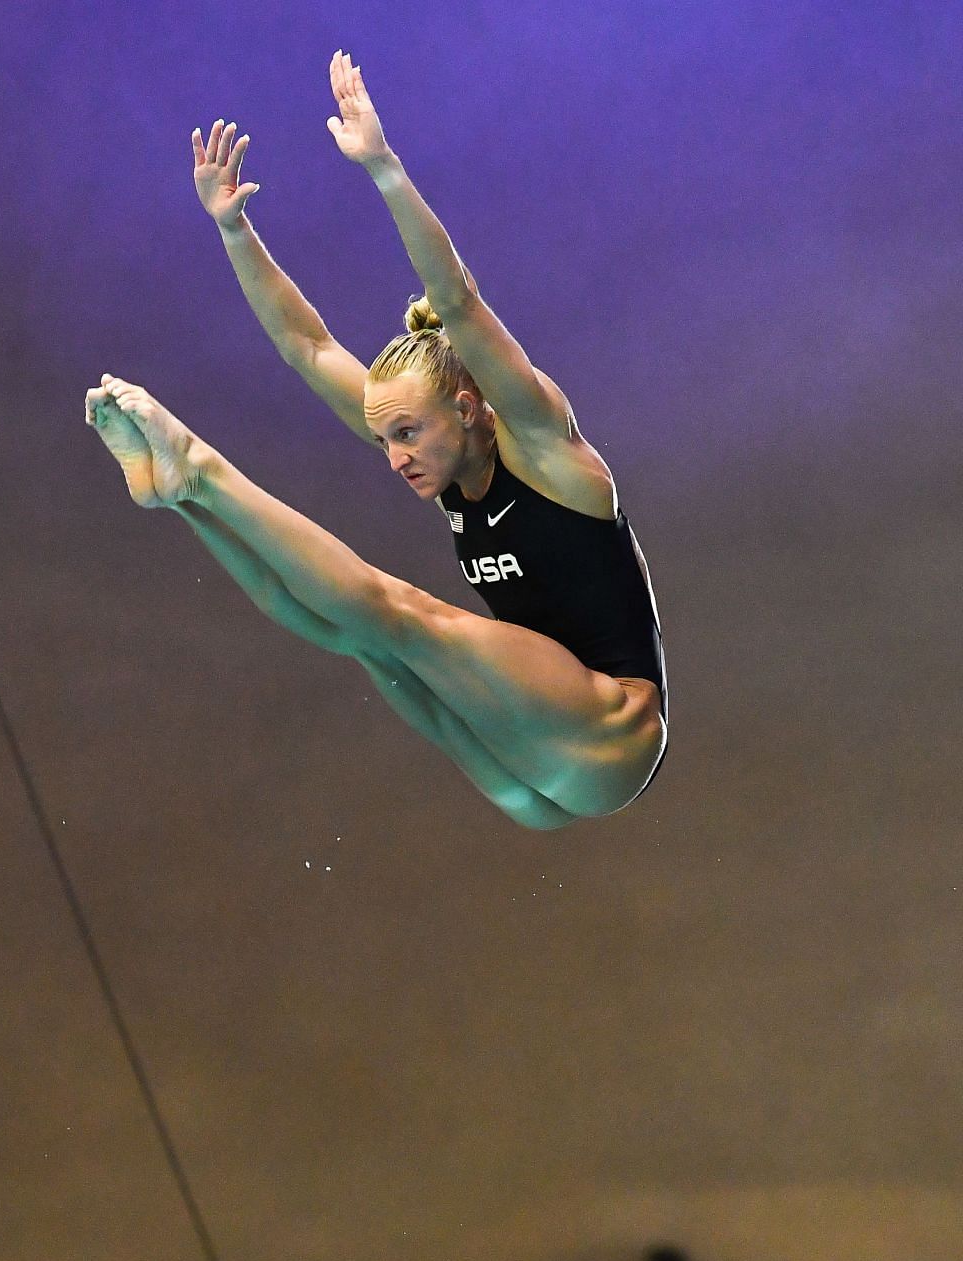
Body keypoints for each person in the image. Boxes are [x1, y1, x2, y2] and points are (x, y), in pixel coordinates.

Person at [87, 50, 664, 829]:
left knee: (398, 612)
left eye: (405, 433)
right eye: (383, 437)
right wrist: (234, 229)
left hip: (608, 733)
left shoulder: (545, 449)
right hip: (530, 783)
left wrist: (384, 169)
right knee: (356, 636)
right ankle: (182, 502)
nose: (393, 458)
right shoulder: (446, 464)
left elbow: (459, 303)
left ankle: (202, 472)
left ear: (468, 408)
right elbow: (309, 347)